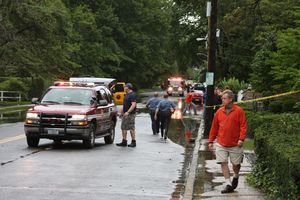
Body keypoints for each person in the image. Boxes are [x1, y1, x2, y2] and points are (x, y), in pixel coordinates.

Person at [208, 90, 247, 194]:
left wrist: (241, 139)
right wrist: (211, 141)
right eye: (222, 98)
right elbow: (214, 127)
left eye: (224, 98)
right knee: (223, 162)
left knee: (236, 165)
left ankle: (236, 176)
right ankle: (228, 184)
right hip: (221, 143)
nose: (222, 100)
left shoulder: (239, 111)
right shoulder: (219, 112)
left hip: (235, 144)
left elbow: (243, 126)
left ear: (230, 99)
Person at [116, 83, 137, 147]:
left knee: (131, 128)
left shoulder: (132, 95)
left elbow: (133, 104)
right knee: (123, 127)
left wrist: (128, 112)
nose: (124, 87)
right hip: (125, 114)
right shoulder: (126, 95)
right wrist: (122, 113)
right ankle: (124, 141)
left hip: (130, 114)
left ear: (128, 87)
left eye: (125, 86)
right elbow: (125, 105)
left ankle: (133, 142)